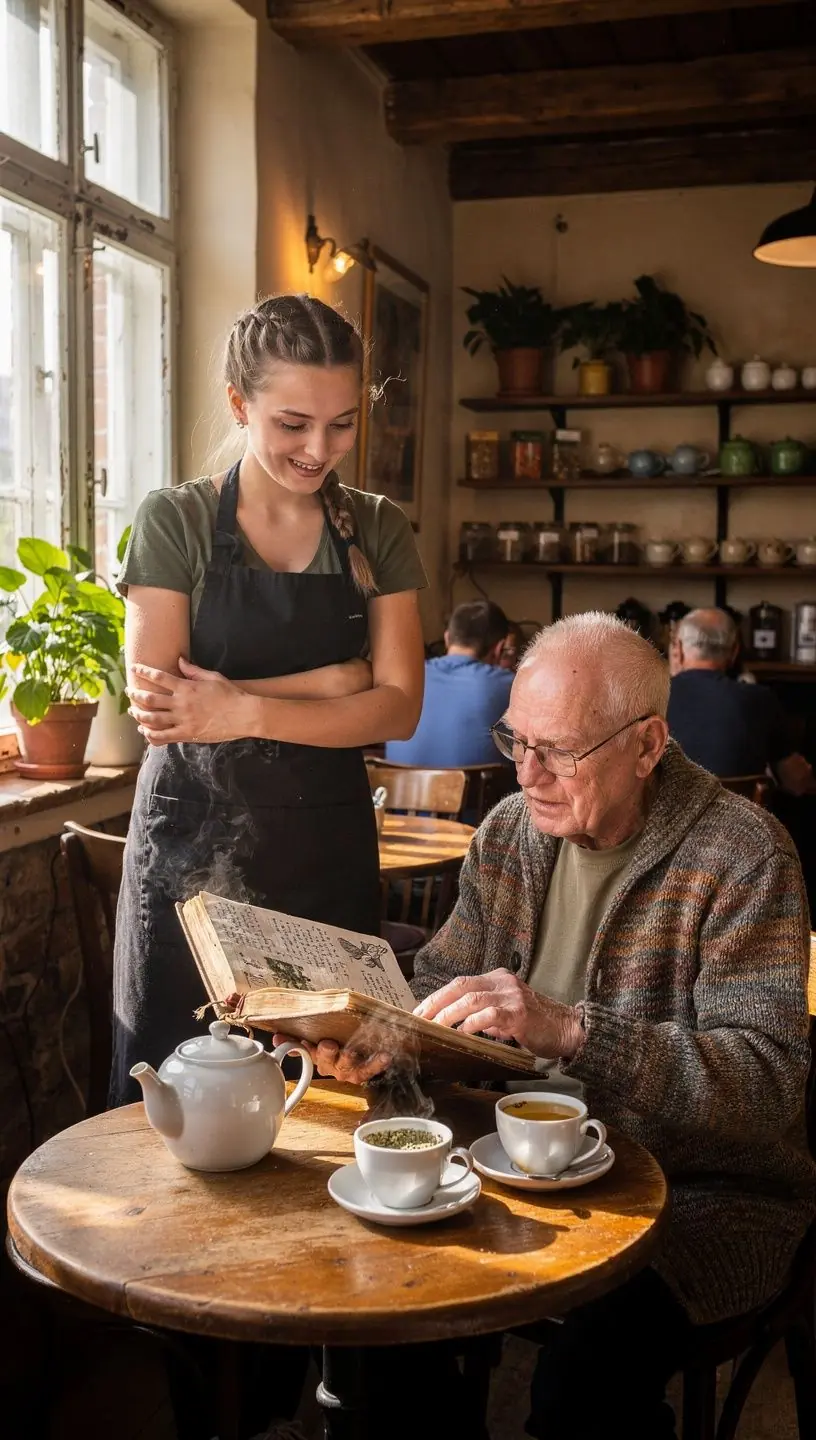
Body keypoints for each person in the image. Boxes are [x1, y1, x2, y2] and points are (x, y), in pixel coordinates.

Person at [295, 612, 815, 1440]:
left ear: (647, 746)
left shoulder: (744, 855)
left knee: (587, 1383)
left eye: (559, 752)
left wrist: (573, 1030)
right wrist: (381, 1039)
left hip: (700, 1191)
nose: (526, 774)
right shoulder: (510, 832)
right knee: (380, 1307)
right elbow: (438, 983)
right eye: (516, 741)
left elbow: (763, 1084)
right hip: (512, 1158)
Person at [114, 293, 427, 1110]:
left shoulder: (377, 531)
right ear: (237, 404)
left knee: (331, 1096)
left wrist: (243, 708)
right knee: (179, 1098)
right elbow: (162, 707)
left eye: (341, 423)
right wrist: (329, 684)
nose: (319, 449)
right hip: (190, 861)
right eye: (293, 423)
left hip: (327, 852)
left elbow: (398, 710)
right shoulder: (176, 519)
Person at [668, 607, 816, 794]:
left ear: (679, 649)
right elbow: (797, 781)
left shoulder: (652, 696)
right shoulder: (761, 699)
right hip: (741, 822)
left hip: (667, 821)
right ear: (735, 651)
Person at [384, 599, 514, 768]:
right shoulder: (508, 685)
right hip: (472, 793)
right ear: (499, 648)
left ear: (447, 638)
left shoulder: (407, 677)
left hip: (398, 791)